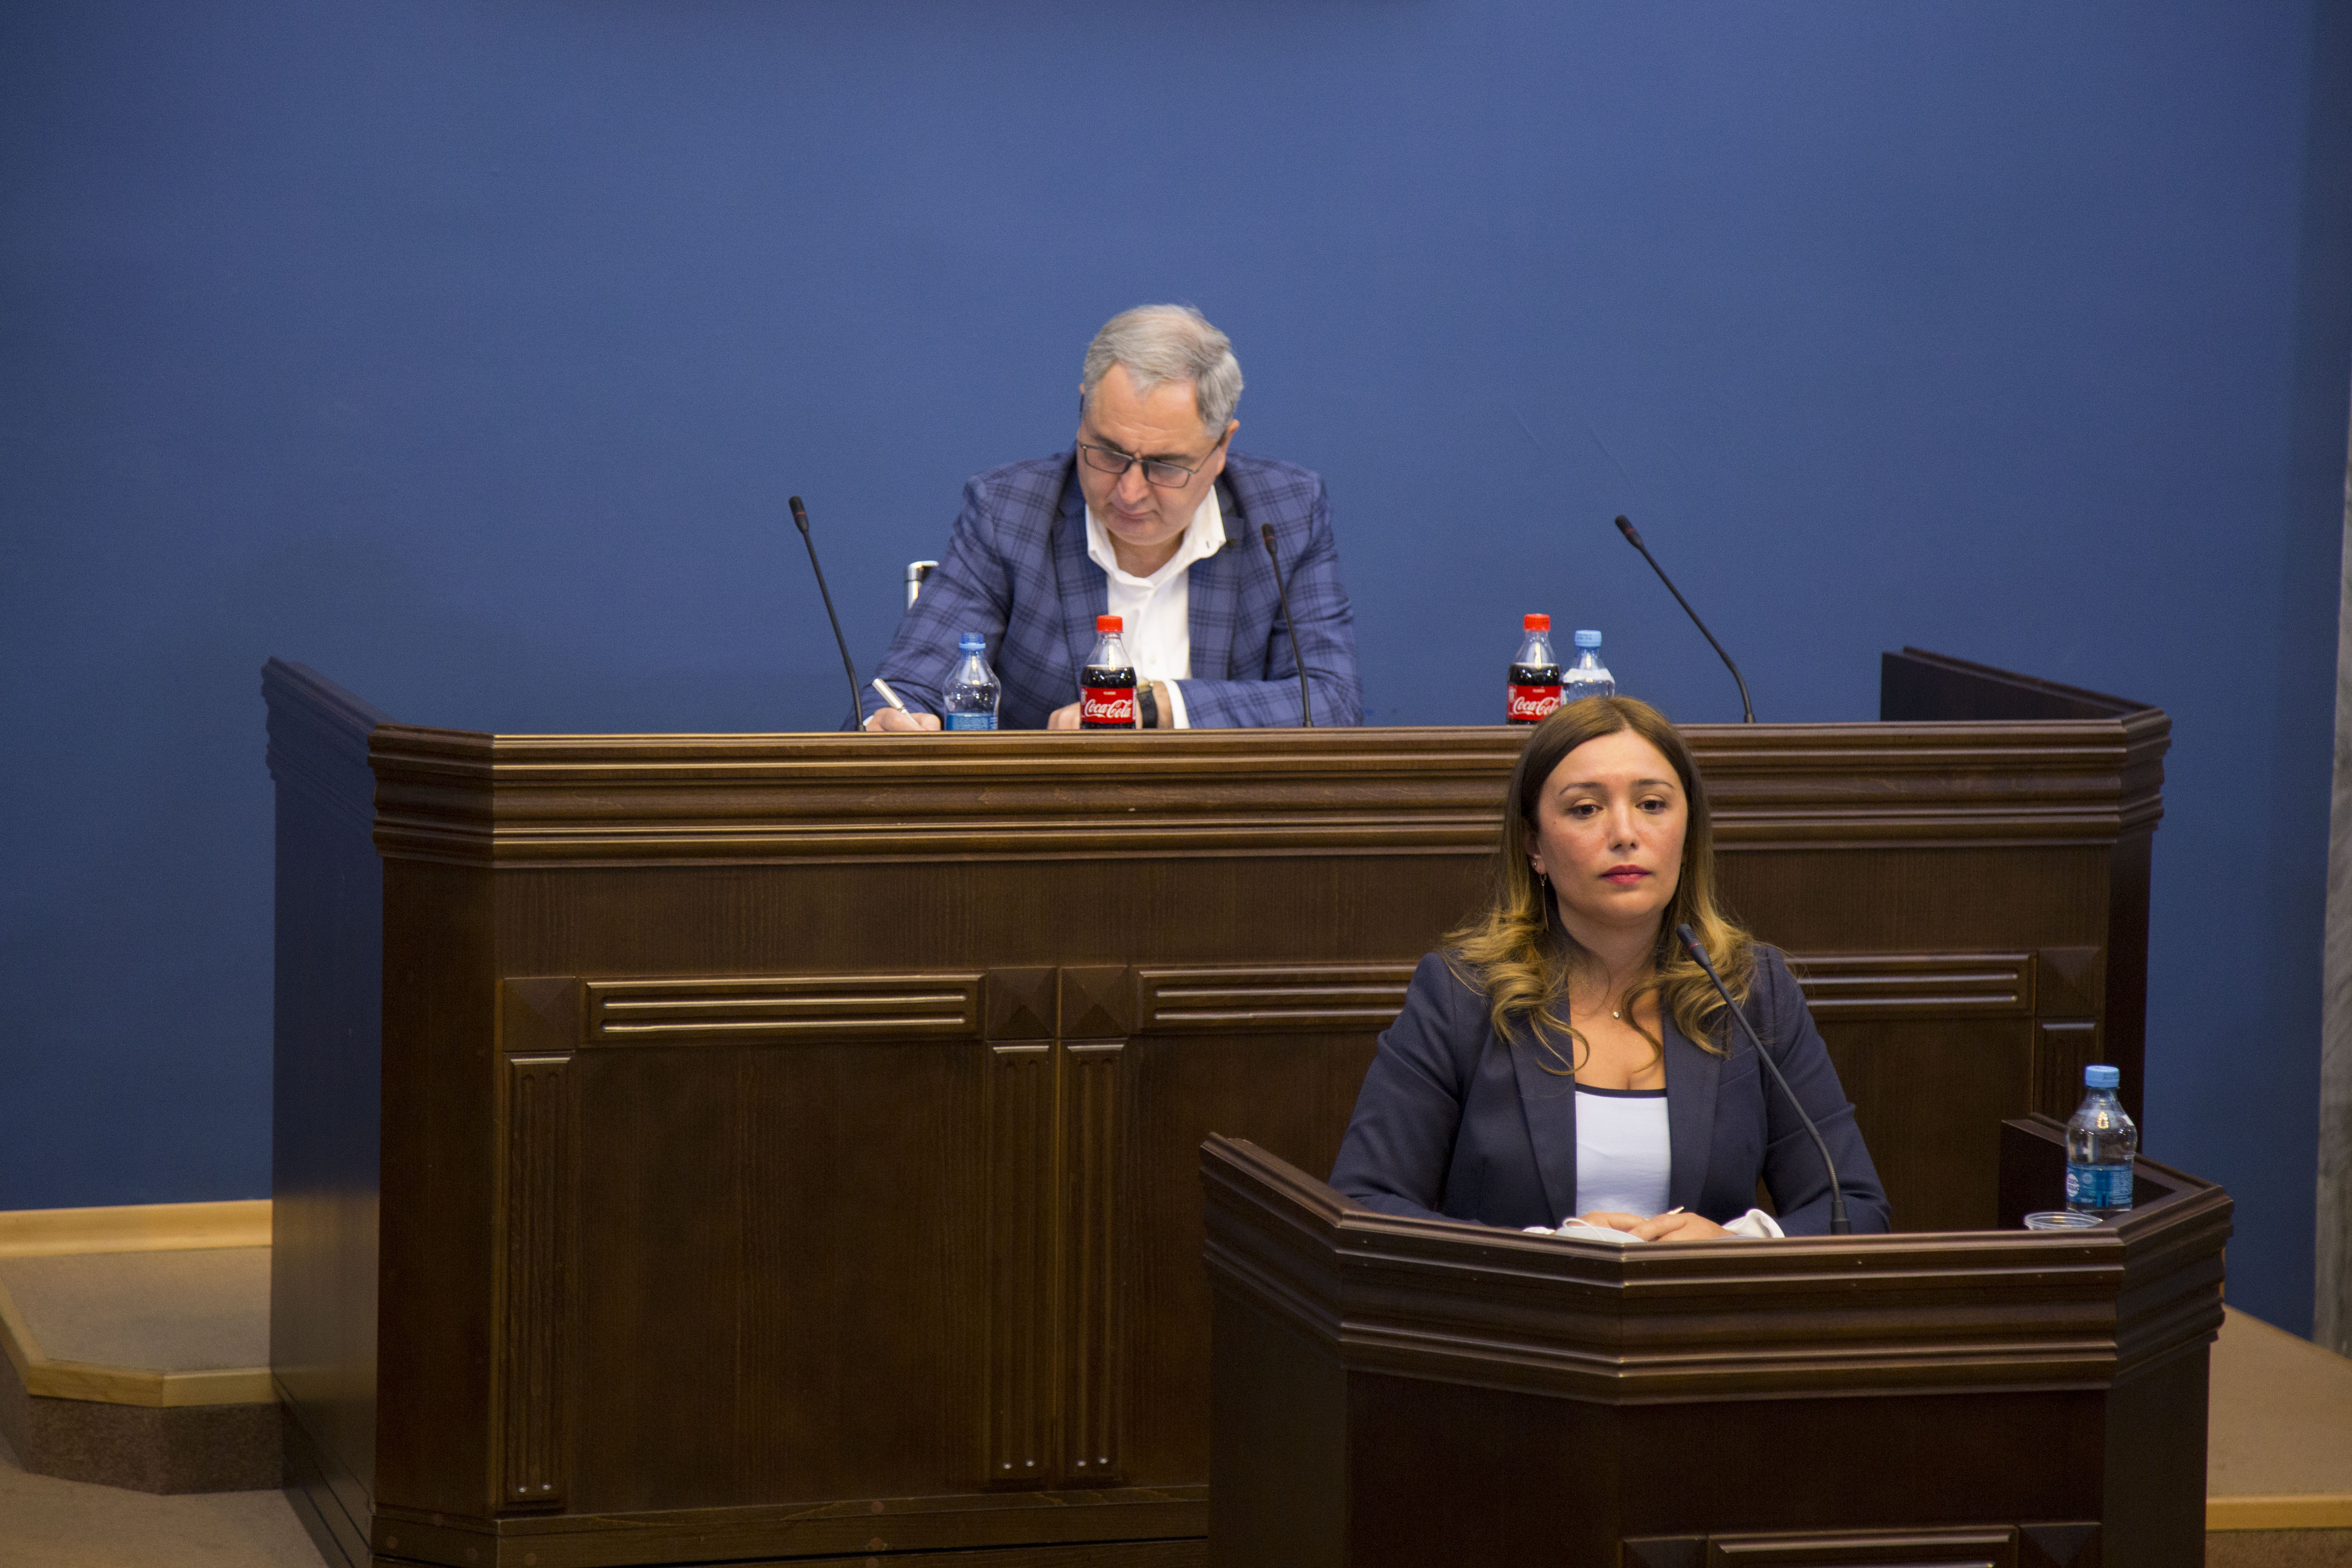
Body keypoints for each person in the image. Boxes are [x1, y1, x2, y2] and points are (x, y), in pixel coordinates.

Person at [1329, 696, 1889, 1239]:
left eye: (1653, 805)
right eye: (1585, 809)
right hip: (1522, 1305)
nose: (1625, 834)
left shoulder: (1752, 991)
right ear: (1534, 844)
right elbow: (1364, 1202)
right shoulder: (1462, 996)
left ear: (1688, 832)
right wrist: (1546, 1256)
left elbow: (1855, 1209)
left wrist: (1735, 1247)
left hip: (1699, 1304)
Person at [860, 305, 1362, 731]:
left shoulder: (1286, 513)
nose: (1130, 491)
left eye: (1166, 466)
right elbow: (904, 690)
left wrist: (1158, 703)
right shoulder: (1008, 513)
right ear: (1083, 410)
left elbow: (1332, 701)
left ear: (1221, 447)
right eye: (1107, 453)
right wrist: (892, 723)